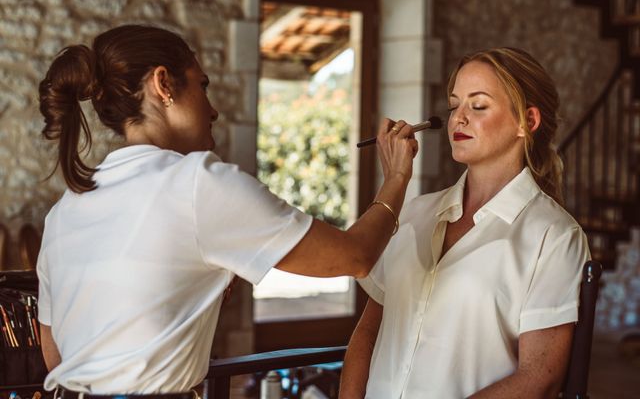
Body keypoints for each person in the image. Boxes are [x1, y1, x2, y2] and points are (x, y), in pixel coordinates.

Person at [36, 24, 419, 395]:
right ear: (163, 84)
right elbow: (355, 257)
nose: (214, 109)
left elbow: (55, 356)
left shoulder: (64, 210)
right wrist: (398, 175)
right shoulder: (199, 183)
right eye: (203, 86)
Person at [339, 47, 591, 399]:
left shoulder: (554, 236)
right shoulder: (413, 214)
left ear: (527, 122)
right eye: (454, 105)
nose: (458, 118)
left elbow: (539, 379)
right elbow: (368, 332)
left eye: (479, 105)